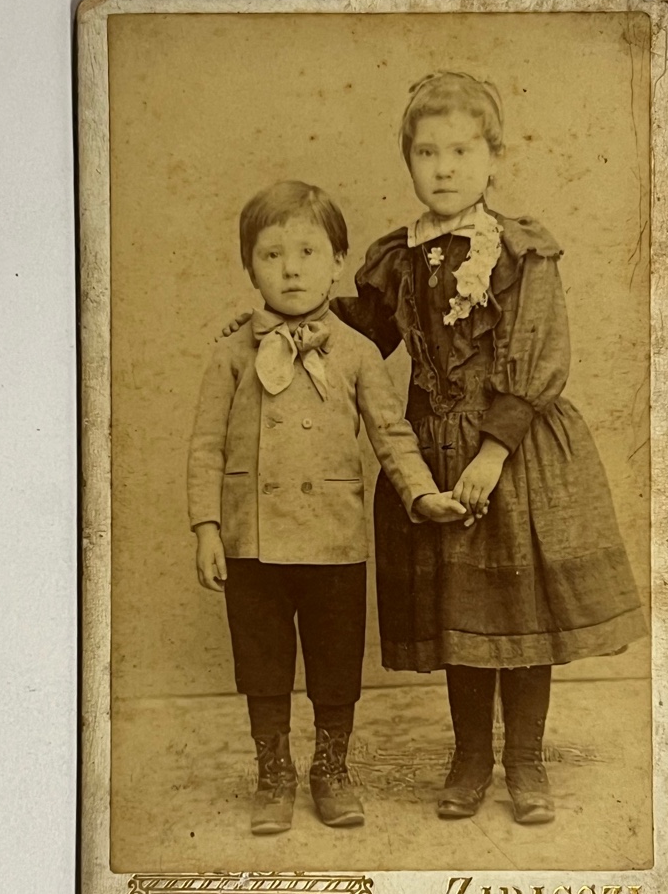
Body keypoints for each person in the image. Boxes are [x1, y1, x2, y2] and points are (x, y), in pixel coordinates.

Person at [328, 71, 648, 825]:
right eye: (428, 152)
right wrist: (283, 324)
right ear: (408, 160)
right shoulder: (396, 260)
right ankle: (471, 757)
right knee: (460, 618)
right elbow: (361, 337)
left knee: (519, 616)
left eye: (462, 151)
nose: (445, 167)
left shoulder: (519, 251)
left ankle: (526, 761)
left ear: (493, 157)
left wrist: (492, 452)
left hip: (512, 451)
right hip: (431, 454)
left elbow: (540, 357)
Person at [188, 179, 468, 837]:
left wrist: (422, 494)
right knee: (262, 662)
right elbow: (203, 445)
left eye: (309, 252)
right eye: (272, 255)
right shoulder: (231, 354)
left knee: (336, 662)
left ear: (338, 261)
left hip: (333, 539)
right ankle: (273, 772)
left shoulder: (357, 352)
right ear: (248, 264)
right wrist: (206, 525)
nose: (291, 269)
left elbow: (392, 435)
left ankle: (330, 769)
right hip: (251, 539)